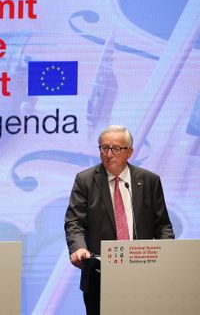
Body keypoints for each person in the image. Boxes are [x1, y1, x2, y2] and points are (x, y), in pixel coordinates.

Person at [64, 125, 174, 314]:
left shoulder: (149, 181)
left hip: (143, 271)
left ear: (129, 152)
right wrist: (78, 247)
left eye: (116, 148)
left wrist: (168, 255)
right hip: (100, 275)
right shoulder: (85, 180)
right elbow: (75, 222)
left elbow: (162, 225)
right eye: (104, 148)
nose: (108, 154)